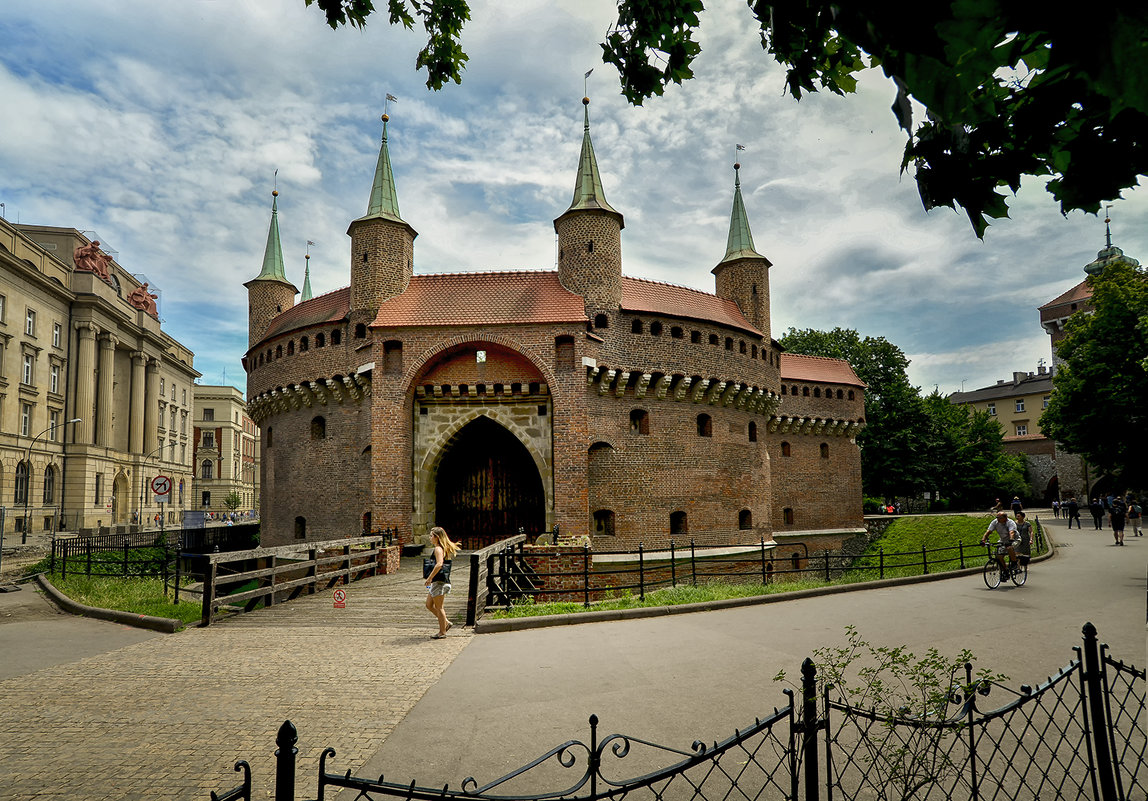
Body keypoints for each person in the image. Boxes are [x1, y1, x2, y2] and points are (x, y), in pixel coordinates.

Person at [424, 526, 459, 639]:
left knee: (439, 607)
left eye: (431, 536)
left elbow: (439, 564)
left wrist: (429, 578)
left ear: (437, 537)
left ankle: (442, 631)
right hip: (438, 582)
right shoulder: (441, 548)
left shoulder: (438, 549)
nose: (430, 538)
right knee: (429, 605)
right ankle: (446, 623)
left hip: (439, 581)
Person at [982, 511, 1020, 578]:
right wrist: (983, 540)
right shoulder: (995, 522)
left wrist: (1011, 540)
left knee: (1009, 547)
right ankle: (1005, 571)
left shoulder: (1010, 522)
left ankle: (1014, 563)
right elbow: (988, 532)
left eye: (1000, 518)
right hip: (1003, 540)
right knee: (999, 556)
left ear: (1005, 518)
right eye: (997, 517)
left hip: (1014, 539)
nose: (998, 519)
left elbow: (1012, 532)